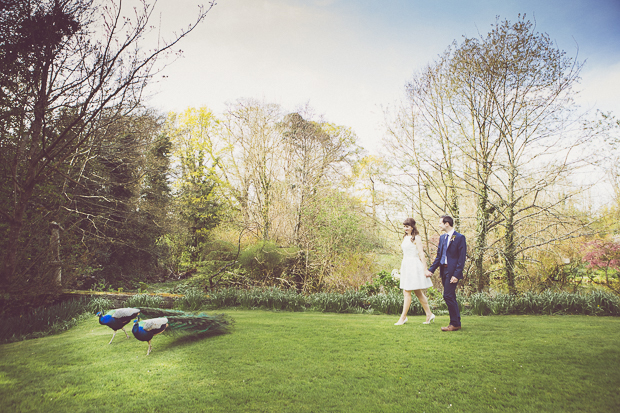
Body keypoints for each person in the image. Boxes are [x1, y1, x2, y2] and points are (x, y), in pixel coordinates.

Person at [425, 215, 467, 331]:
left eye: (440, 223)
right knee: (451, 296)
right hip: (444, 270)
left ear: (447, 223)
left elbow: (461, 258)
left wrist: (456, 275)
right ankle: (456, 323)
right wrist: (431, 270)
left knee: (447, 295)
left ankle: (454, 323)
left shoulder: (459, 238)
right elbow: (439, 257)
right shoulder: (442, 238)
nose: (439, 225)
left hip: (453, 271)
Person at [394, 218, 435, 325]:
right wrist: (401, 268)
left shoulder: (416, 238)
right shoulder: (405, 237)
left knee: (407, 292)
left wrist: (425, 269)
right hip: (406, 265)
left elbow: (421, 254)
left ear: (412, 227)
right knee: (418, 292)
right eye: (404, 226)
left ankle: (403, 318)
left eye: (407, 226)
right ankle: (429, 314)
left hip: (414, 266)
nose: (405, 228)